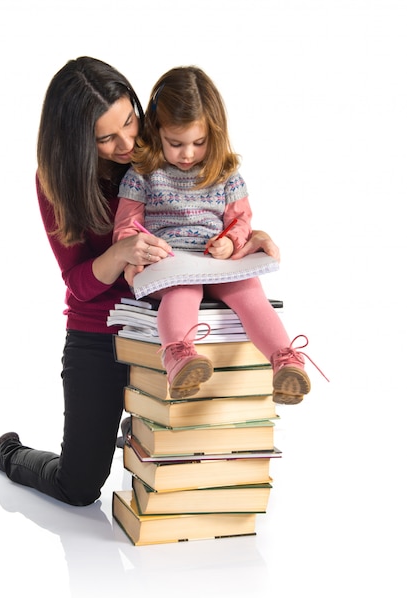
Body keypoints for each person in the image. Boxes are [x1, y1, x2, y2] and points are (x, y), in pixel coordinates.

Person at [0, 57, 282, 507]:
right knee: (78, 487)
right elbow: (78, 284)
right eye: (106, 138)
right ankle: (9, 451)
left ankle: (137, 424)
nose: (127, 143)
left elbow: (213, 219)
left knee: (195, 438)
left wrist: (244, 238)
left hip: (167, 322)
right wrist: (118, 253)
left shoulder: (162, 149)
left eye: (131, 121)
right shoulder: (55, 183)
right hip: (101, 331)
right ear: (78, 142)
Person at [114, 66, 326, 404]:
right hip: (169, 261)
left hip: (215, 260)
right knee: (184, 292)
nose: (187, 154)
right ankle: (179, 356)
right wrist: (136, 253)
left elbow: (241, 219)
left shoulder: (225, 172)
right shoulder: (143, 173)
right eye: (175, 143)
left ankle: (285, 361)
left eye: (199, 143)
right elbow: (126, 225)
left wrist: (230, 240)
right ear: (157, 131)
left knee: (249, 292)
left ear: (215, 133)